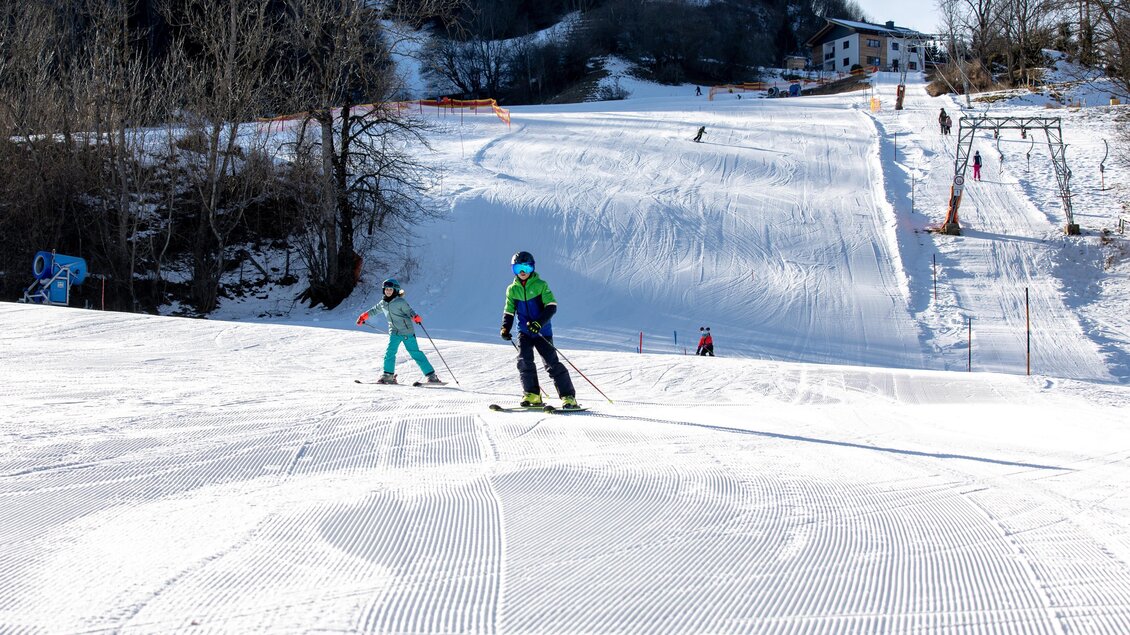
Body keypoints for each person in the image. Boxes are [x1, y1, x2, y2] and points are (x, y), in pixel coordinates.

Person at [500, 251, 579, 409]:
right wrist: (505, 328)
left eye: (526, 268)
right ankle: (532, 394)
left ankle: (568, 396)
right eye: (518, 268)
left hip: (542, 332)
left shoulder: (541, 285)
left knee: (551, 363)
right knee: (524, 361)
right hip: (524, 332)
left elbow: (551, 306)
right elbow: (509, 311)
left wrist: (539, 323)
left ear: (532, 268)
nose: (523, 272)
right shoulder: (512, 289)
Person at [356, 278, 442, 385]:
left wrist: (415, 317)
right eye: (386, 289)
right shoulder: (383, 303)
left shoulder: (400, 302)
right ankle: (388, 376)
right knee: (390, 353)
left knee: (415, 353)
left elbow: (409, 311)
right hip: (394, 332)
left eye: (390, 289)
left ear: (395, 290)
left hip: (407, 332)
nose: (388, 291)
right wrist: (363, 316)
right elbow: (374, 310)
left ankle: (431, 376)